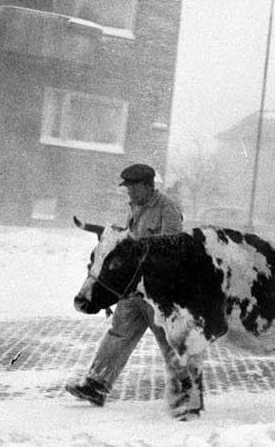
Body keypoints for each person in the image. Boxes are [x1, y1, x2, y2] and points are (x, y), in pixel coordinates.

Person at [66, 163, 184, 407]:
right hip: (132, 290)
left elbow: (173, 248)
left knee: (169, 341)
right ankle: (96, 385)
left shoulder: (167, 209)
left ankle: (186, 391)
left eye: (132, 187)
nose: (128, 192)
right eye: (127, 187)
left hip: (156, 291)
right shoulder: (135, 208)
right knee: (119, 334)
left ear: (146, 185)